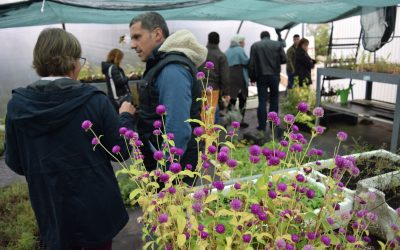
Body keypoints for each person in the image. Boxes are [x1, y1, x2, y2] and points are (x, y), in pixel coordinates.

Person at [5, 28, 136, 250]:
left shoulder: (17, 106)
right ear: (73, 63)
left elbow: (17, 163)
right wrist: (125, 116)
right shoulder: (95, 101)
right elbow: (121, 151)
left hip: (53, 211)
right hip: (97, 211)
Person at [129, 12, 207, 179]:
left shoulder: (172, 69)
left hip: (173, 170)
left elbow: (178, 128)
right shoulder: (161, 65)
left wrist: (164, 172)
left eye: (137, 37)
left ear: (157, 34)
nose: (132, 45)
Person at [249, 31, 287, 133]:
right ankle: (273, 125)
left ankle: (262, 126)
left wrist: (252, 78)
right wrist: (276, 61)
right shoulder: (277, 44)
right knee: (274, 99)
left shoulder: (255, 46)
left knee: (262, 101)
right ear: (269, 36)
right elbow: (284, 59)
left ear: (261, 37)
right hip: (274, 76)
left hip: (261, 76)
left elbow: (251, 63)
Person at [202, 31, 230, 127]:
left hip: (200, 87)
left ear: (208, 40)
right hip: (213, 89)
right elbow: (225, 76)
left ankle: (201, 136)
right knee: (212, 113)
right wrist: (226, 93)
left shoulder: (202, 53)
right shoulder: (221, 56)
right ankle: (210, 139)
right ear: (219, 41)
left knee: (202, 112)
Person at [225, 34, 250, 128]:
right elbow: (245, 62)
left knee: (231, 100)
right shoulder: (240, 49)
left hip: (230, 78)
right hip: (239, 77)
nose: (244, 43)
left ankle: (229, 120)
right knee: (243, 99)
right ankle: (240, 121)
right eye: (243, 41)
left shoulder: (227, 51)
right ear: (239, 42)